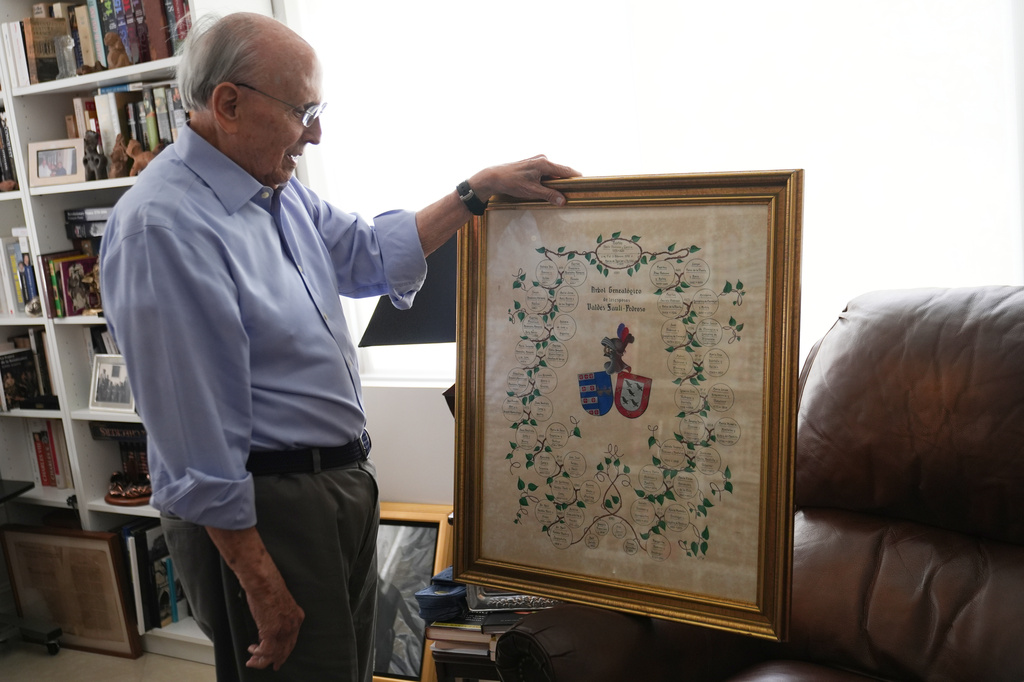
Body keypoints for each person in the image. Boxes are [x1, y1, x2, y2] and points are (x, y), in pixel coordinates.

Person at [99, 11, 578, 682]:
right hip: (267, 508)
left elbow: (375, 254)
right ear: (229, 104)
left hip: (337, 487)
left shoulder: (278, 191)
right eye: (303, 110)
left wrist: (475, 193)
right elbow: (192, 437)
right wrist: (262, 584)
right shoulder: (162, 228)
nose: (316, 132)